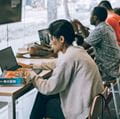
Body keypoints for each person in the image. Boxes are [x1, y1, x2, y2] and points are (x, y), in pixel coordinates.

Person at [24, 19, 104, 119]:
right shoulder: (76, 51)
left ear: (61, 39)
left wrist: (31, 75)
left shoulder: (68, 58)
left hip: (81, 112)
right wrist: (34, 66)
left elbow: (48, 88)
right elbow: (58, 63)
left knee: (43, 96)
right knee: (44, 97)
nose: (51, 42)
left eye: (52, 38)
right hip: (90, 106)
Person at [83, 6, 120, 81]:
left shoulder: (99, 30)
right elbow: (90, 39)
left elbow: (83, 46)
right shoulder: (106, 26)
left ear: (95, 17)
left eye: (91, 16)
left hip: (109, 71)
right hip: (116, 65)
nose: (90, 18)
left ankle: (96, 91)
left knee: (82, 72)